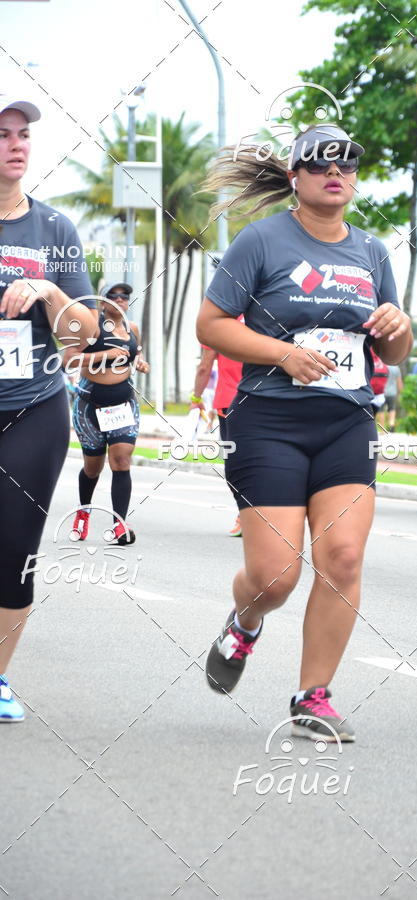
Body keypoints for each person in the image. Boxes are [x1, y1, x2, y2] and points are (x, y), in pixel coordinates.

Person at [197, 124, 412, 741]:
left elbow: (394, 351)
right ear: (296, 176)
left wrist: (397, 325)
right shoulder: (261, 241)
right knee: (275, 577)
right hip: (268, 422)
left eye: (346, 162)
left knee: (342, 557)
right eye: (319, 163)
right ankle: (244, 624)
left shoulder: (372, 252)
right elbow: (210, 325)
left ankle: (312, 698)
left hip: (346, 421)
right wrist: (282, 354)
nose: (334, 171)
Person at [0, 94, 98, 722]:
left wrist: (50, 288)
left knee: (14, 547)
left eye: (24, 134)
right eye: (3, 133)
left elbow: (86, 329)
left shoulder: (55, 229)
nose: (16, 144)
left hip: (34, 405)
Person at [65, 281, 149, 546]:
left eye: (124, 295)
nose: (120, 299)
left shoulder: (132, 328)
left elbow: (135, 354)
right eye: (113, 296)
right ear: (102, 302)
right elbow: (69, 359)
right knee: (93, 468)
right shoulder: (90, 328)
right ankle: (83, 512)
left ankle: (119, 524)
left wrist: (141, 363)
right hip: (90, 405)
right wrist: (105, 354)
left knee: (122, 461)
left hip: (124, 404)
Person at [191, 337, 244, 536]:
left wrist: (196, 398)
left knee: (235, 463)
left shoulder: (220, 325)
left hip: (230, 402)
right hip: (265, 401)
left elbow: (205, 367)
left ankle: (245, 514)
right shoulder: (268, 320)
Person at [377, 362, 403, 431]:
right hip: (392, 393)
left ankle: (382, 429)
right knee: (392, 409)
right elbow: (399, 382)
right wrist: (401, 393)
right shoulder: (396, 368)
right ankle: (391, 424)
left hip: (381, 392)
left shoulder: (381, 366)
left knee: (381, 410)